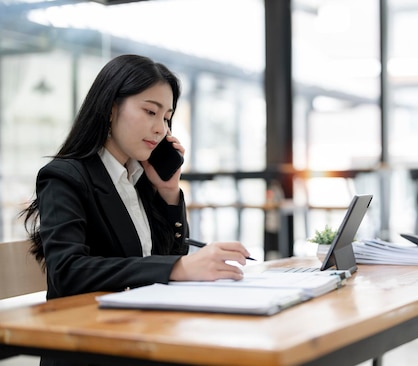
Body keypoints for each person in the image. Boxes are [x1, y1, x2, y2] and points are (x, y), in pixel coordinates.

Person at [20, 54, 251, 302]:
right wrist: (178, 267)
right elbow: (66, 272)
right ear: (111, 109)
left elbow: (167, 256)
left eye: (166, 117)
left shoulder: (141, 179)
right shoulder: (64, 177)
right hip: (87, 326)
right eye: (150, 111)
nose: (161, 129)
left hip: (142, 319)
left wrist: (168, 192)